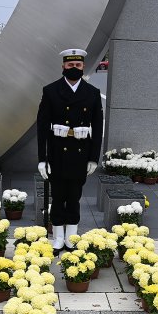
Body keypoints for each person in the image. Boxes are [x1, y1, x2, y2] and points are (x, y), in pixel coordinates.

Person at [37, 48, 103, 250]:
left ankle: (71, 237)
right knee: (58, 197)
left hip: (80, 154)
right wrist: (42, 158)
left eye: (78, 65)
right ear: (63, 66)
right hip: (57, 153)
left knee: (74, 197)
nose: (74, 68)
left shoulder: (92, 93)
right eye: (70, 65)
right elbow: (41, 127)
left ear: (83, 67)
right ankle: (57, 237)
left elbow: (98, 128)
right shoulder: (50, 91)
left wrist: (93, 158)